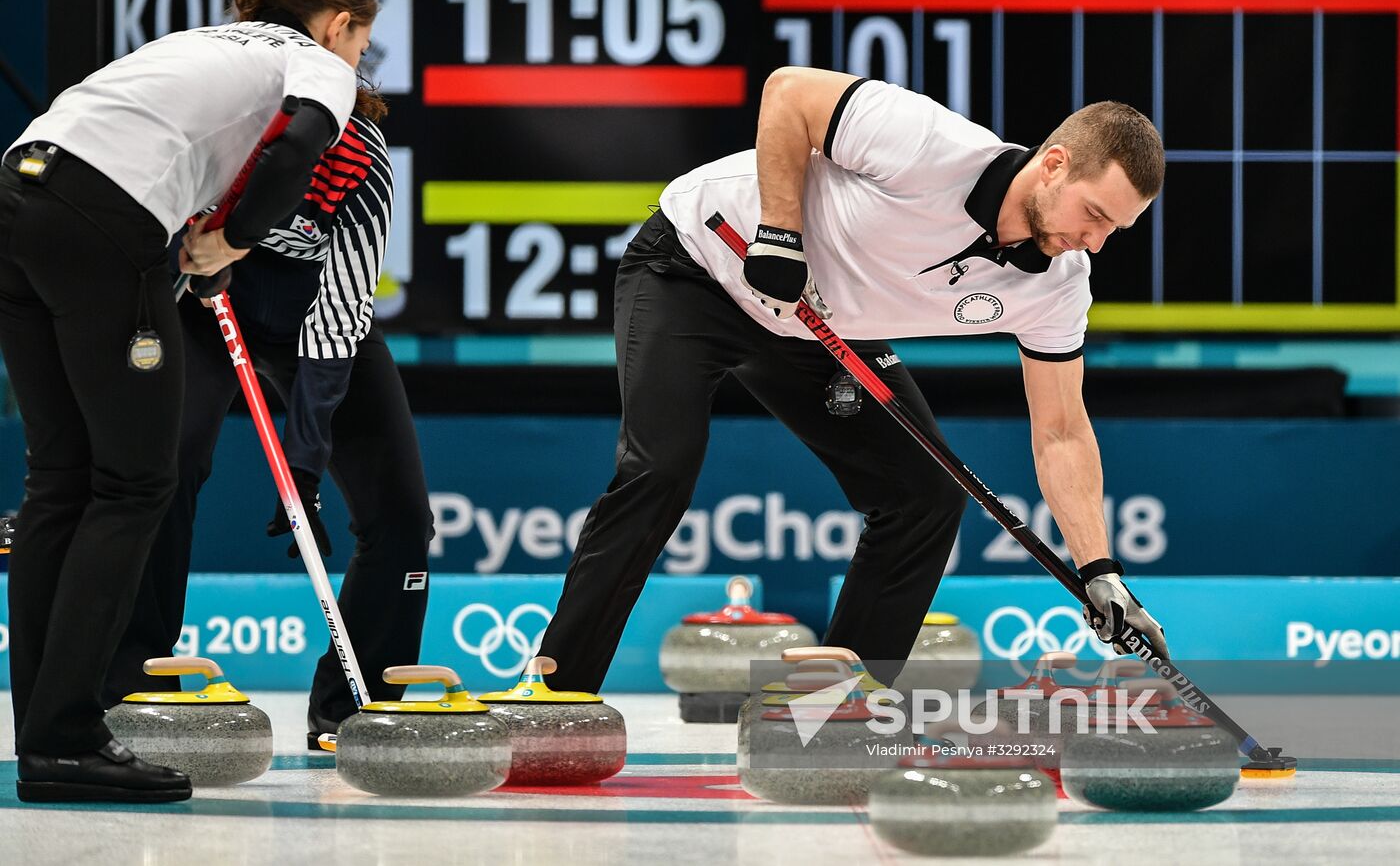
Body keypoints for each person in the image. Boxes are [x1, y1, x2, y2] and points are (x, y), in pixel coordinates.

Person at [538, 67, 1171, 693]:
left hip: (816, 321)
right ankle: (557, 687)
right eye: (1094, 214)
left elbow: (1061, 431)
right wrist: (780, 232)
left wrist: (1099, 570)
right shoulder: (930, 145)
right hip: (708, 266)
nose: (1095, 241)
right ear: (1054, 163)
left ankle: (838, 708)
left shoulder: (1058, 283)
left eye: (1114, 229)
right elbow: (787, 93)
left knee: (924, 494)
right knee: (661, 467)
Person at [0, 0, 373, 803]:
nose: (359, 63)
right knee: (135, 483)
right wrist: (236, 239)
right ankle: (67, 735)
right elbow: (299, 150)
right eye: (361, 43)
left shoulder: (207, 40)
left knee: (60, 478)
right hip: (99, 215)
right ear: (340, 22)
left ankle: (45, 737)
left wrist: (210, 240)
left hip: (19, 193)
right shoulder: (315, 61)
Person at [104, 81, 433, 752]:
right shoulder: (221, 123)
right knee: (162, 470)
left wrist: (304, 464)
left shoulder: (362, 161)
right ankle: (133, 680)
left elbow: (340, 320)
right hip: (206, 304)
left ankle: (353, 708)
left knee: (401, 516)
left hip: (319, 318)